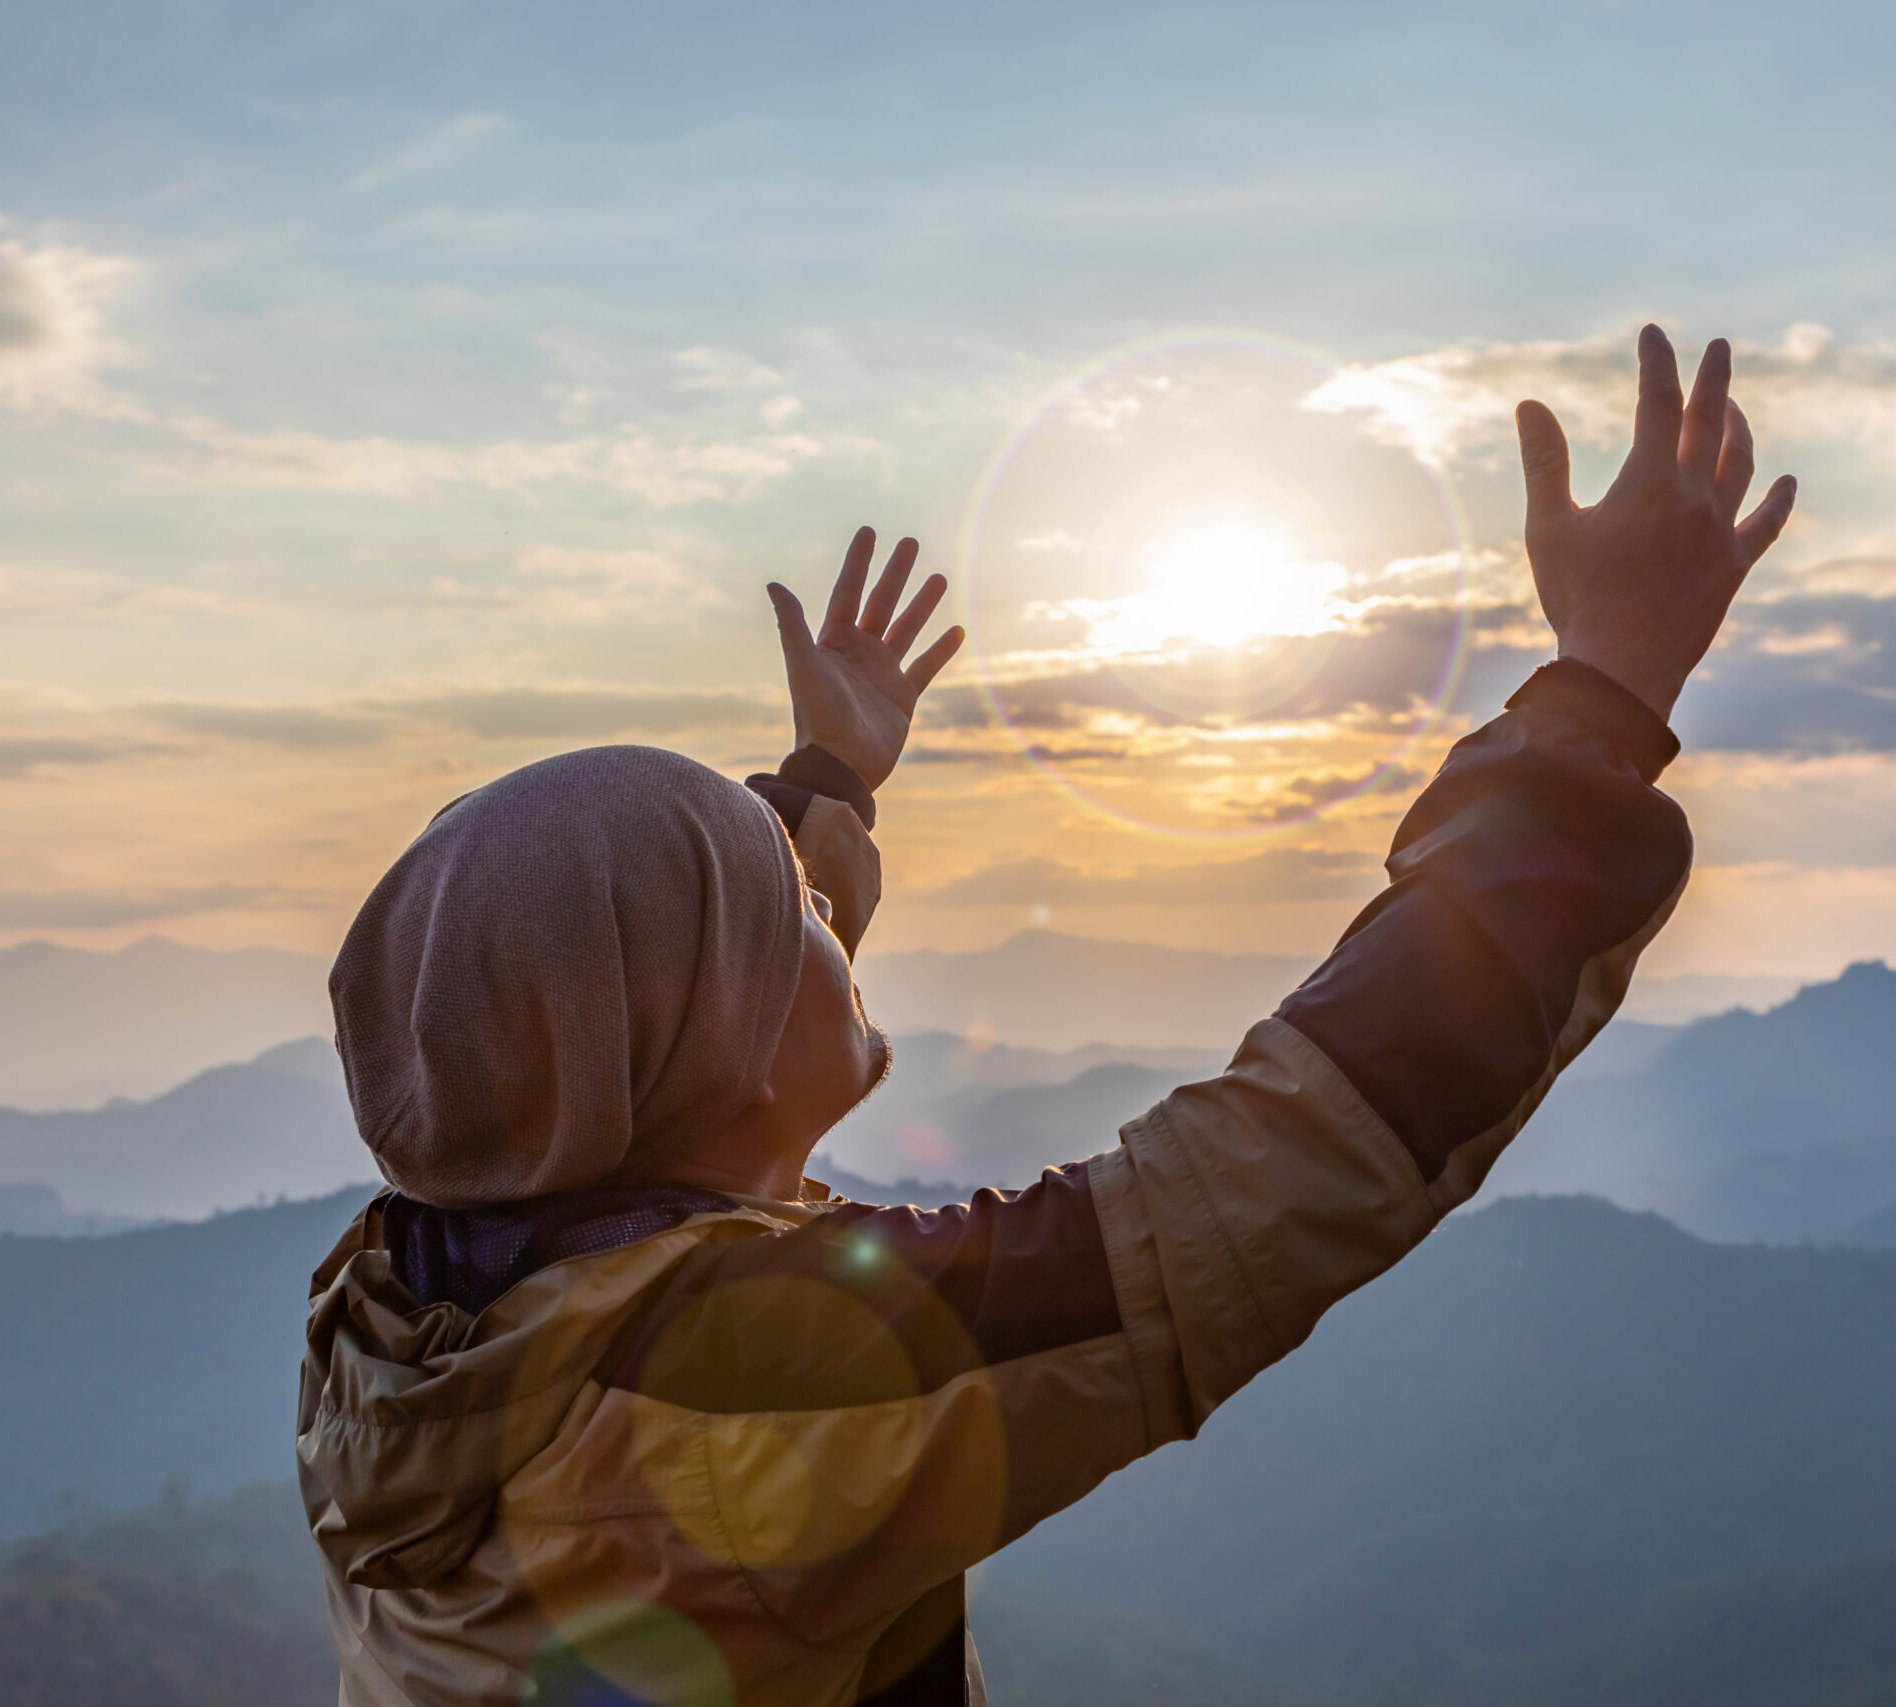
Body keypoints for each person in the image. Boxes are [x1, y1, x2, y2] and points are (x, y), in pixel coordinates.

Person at [297, 325, 1795, 1707]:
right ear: (717, 1046)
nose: (834, 920)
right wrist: (1599, 701)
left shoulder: (412, 1305)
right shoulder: (740, 1388)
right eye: (799, 922)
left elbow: (626, 1014)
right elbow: (1249, 1195)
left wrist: (823, 784)